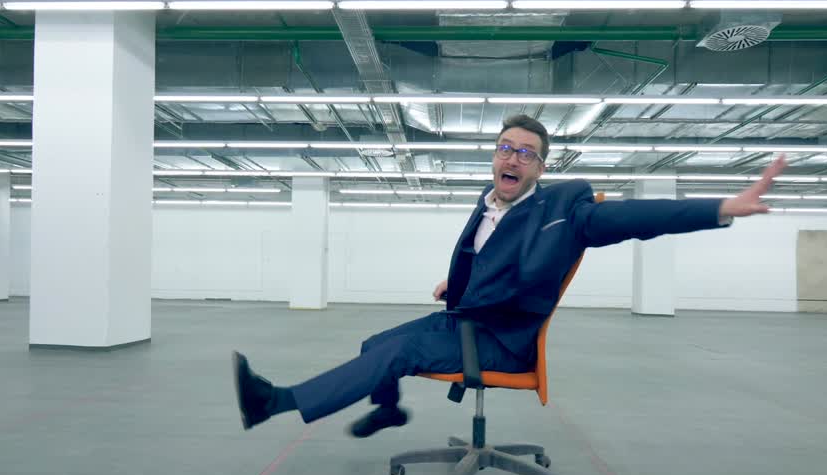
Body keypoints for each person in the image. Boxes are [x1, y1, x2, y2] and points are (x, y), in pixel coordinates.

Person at [232, 114, 786, 437]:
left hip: (501, 342)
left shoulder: (568, 210)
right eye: (506, 148)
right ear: (494, 156)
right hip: (467, 316)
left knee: (393, 355)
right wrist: (460, 285)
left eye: (527, 153)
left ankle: (277, 402)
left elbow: (640, 218)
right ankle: (390, 409)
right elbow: (487, 253)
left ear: (542, 169)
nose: (514, 158)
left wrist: (723, 207)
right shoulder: (490, 198)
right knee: (374, 342)